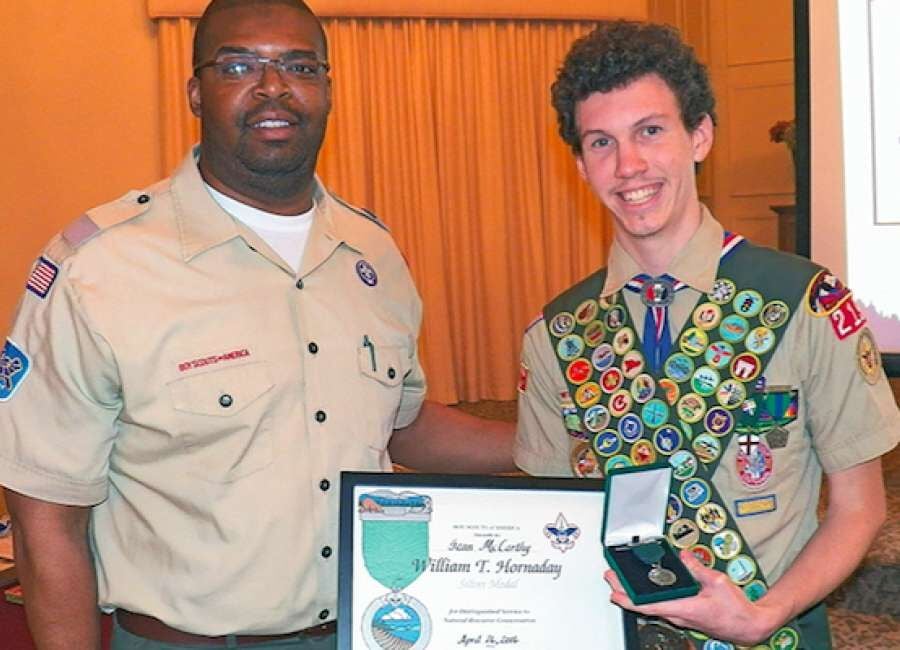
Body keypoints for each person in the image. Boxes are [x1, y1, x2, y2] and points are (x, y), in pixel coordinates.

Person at [0, 1, 514, 648]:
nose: (273, 87)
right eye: (240, 65)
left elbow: (401, 423)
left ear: (326, 88)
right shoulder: (101, 268)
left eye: (299, 66)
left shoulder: (372, 253)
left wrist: (554, 444)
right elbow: (47, 516)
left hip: (367, 631)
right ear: (195, 90)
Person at [514, 20, 899, 648]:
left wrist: (762, 615)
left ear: (700, 135)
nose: (629, 165)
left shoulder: (803, 303)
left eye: (651, 131)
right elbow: (554, 523)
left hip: (777, 633)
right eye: (601, 142)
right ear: (581, 166)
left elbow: (863, 509)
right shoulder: (557, 334)